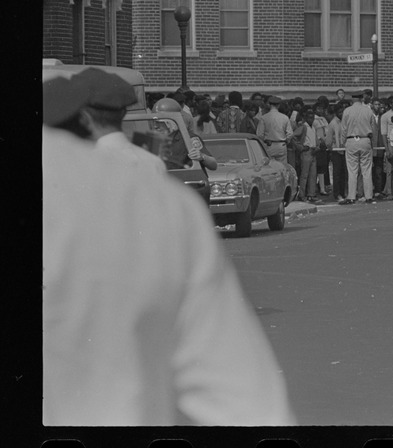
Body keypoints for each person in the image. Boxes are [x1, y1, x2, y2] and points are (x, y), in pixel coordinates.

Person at [42, 124, 295, 426]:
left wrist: (197, 155)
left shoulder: (182, 139)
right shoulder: (144, 146)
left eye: (164, 119)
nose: (160, 125)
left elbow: (202, 166)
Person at [340, 91, 377, 204]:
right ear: (362, 99)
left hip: (351, 140)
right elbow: (373, 128)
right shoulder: (368, 110)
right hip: (365, 139)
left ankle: (351, 196)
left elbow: (344, 129)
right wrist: (373, 144)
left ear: (352, 99)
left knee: (352, 170)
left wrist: (343, 142)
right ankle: (368, 196)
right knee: (366, 170)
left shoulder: (347, 111)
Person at [255, 95, 293, 163]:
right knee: (282, 167)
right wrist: (286, 141)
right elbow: (290, 134)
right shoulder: (285, 117)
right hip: (281, 145)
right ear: (278, 105)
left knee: (270, 167)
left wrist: (265, 140)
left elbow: (259, 134)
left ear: (269, 104)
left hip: (269, 145)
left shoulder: (264, 118)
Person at [295, 108, 321, 204]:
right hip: (306, 152)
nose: (311, 120)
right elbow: (293, 136)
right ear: (306, 118)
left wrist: (318, 146)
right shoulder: (303, 127)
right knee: (304, 175)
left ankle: (311, 194)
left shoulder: (313, 127)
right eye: (309, 118)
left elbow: (315, 139)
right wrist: (300, 147)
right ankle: (302, 194)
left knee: (313, 175)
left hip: (313, 151)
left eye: (312, 118)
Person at [326, 101, 348, 202]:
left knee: (344, 173)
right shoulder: (332, 123)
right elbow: (329, 139)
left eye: (342, 111)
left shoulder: (344, 121)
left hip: (344, 150)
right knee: (337, 173)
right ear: (335, 113)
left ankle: (343, 192)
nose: (341, 114)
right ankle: (337, 193)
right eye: (339, 112)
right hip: (336, 151)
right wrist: (331, 148)